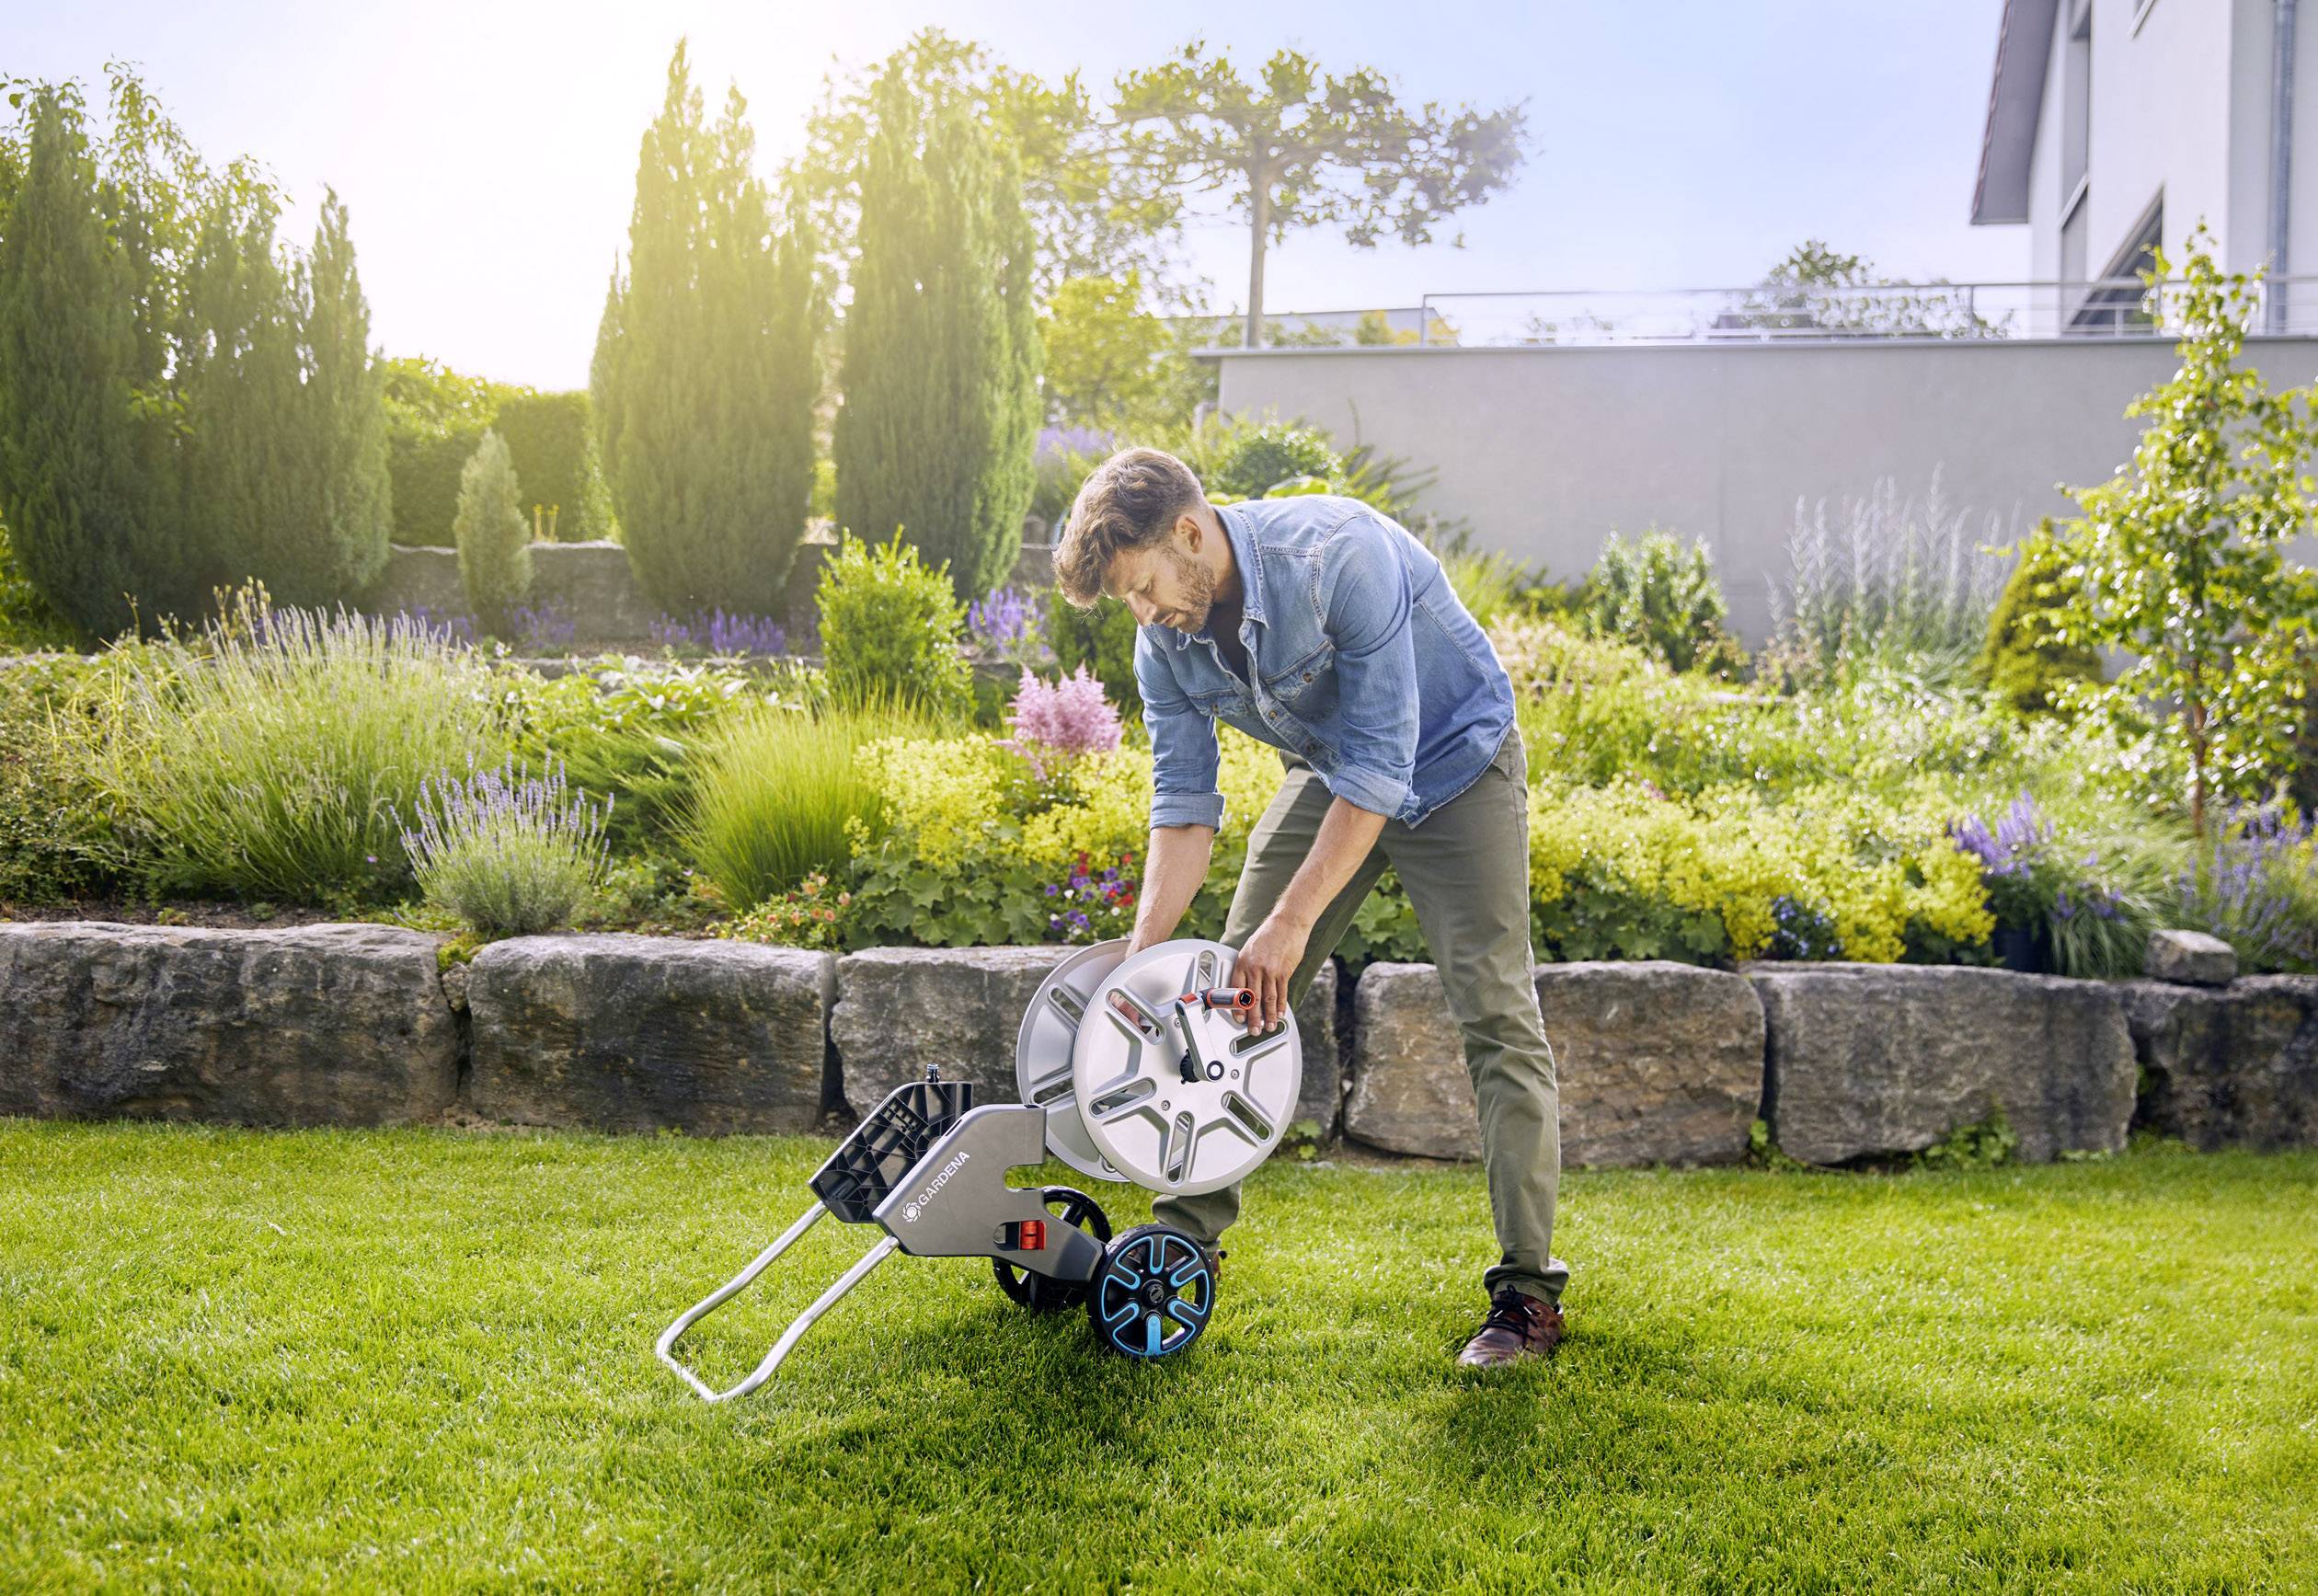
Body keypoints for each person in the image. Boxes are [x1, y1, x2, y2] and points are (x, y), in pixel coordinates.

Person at [1051, 446, 1568, 1370]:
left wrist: (1289, 926)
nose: (1145, 613)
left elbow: (1385, 763)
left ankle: (1527, 1294)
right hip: (1340, 775)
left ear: (1188, 531)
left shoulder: (1338, 556)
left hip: (1456, 765)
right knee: (1224, 992)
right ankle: (1181, 1244)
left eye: (1143, 587)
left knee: (1496, 1014)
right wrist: (1141, 956)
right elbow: (1184, 801)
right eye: (1126, 600)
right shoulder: (1164, 636)